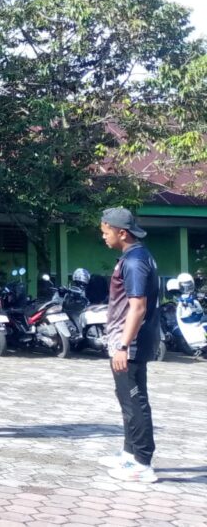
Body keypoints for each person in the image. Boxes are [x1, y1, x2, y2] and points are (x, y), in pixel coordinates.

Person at [97, 207, 160, 483]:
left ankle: (143, 463)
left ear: (122, 233)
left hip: (130, 343)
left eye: (106, 232)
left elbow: (138, 307)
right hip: (124, 341)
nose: (104, 237)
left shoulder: (135, 261)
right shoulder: (134, 256)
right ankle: (129, 453)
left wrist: (123, 346)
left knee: (135, 401)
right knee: (126, 399)